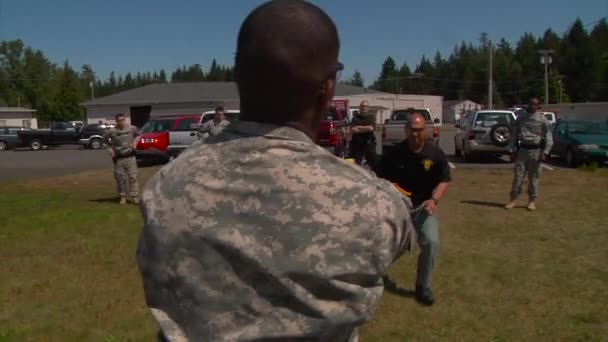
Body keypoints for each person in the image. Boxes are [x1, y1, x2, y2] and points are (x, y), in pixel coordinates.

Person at [136, 1, 415, 341]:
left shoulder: (165, 187)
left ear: (238, 75)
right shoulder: (371, 202)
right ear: (327, 88)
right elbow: (403, 235)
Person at [377, 113, 451, 306]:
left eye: (419, 130)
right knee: (384, 244)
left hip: (423, 206)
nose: (415, 134)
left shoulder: (434, 153)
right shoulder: (395, 154)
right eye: (412, 130)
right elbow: (381, 180)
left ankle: (423, 286)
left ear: (425, 130)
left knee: (431, 243)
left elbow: (444, 180)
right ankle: (371, 278)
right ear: (406, 130)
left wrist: (434, 200)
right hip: (398, 206)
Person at [505, 97, 553, 211]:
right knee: (518, 176)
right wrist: (512, 150)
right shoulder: (521, 118)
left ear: (538, 106)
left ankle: (532, 201)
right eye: (530, 104)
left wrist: (545, 152)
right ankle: (513, 200)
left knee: (534, 177)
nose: (532, 106)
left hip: (536, 151)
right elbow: (513, 135)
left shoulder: (543, 120)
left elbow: (549, 137)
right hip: (523, 150)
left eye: (534, 104)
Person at [103, 113, 140, 205]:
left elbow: (138, 135)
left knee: (133, 177)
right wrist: (110, 150)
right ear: (116, 121)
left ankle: (135, 196)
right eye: (119, 120)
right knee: (120, 179)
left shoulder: (132, 128)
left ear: (125, 120)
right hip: (119, 158)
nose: (121, 121)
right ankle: (122, 196)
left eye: (123, 119)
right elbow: (104, 141)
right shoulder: (112, 131)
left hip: (130, 157)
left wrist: (135, 143)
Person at [349, 100, 378, 168]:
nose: (364, 108)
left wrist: (358, 127)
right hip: (357, 144)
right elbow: (352, 130)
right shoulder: (355, 118)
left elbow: (371, 128)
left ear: (368, 108)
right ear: (360, 108)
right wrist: (365, 128)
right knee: (355, 165)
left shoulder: (371, 117)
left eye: (365, 106)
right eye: (362, 106)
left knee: (374, 163)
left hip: (369, 143)